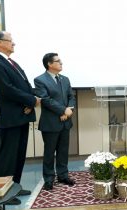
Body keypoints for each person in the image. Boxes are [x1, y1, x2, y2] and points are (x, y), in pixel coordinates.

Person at [0, 31, 41, 205]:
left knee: (19, 154)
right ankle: (3, 193)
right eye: (10, 41)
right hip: (11, 116)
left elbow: (23, 85)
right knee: (8, 156)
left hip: (22, 114)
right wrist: (31, 100)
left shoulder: (11, 62)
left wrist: (30, 102)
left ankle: (15, 186)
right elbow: (7, 89)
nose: (13, 44)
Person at [34, 53, 76, 190]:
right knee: (49, 152)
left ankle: (63, 176)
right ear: (49, 64)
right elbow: (46, 100)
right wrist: (63, 110)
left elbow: (71, 96)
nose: (61, 63)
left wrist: (68, 110)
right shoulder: (40, 80)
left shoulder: (65, 79)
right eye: (58, 61)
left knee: (63, 151)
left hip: (65, 121)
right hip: (51, 122)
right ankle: (49, 178)